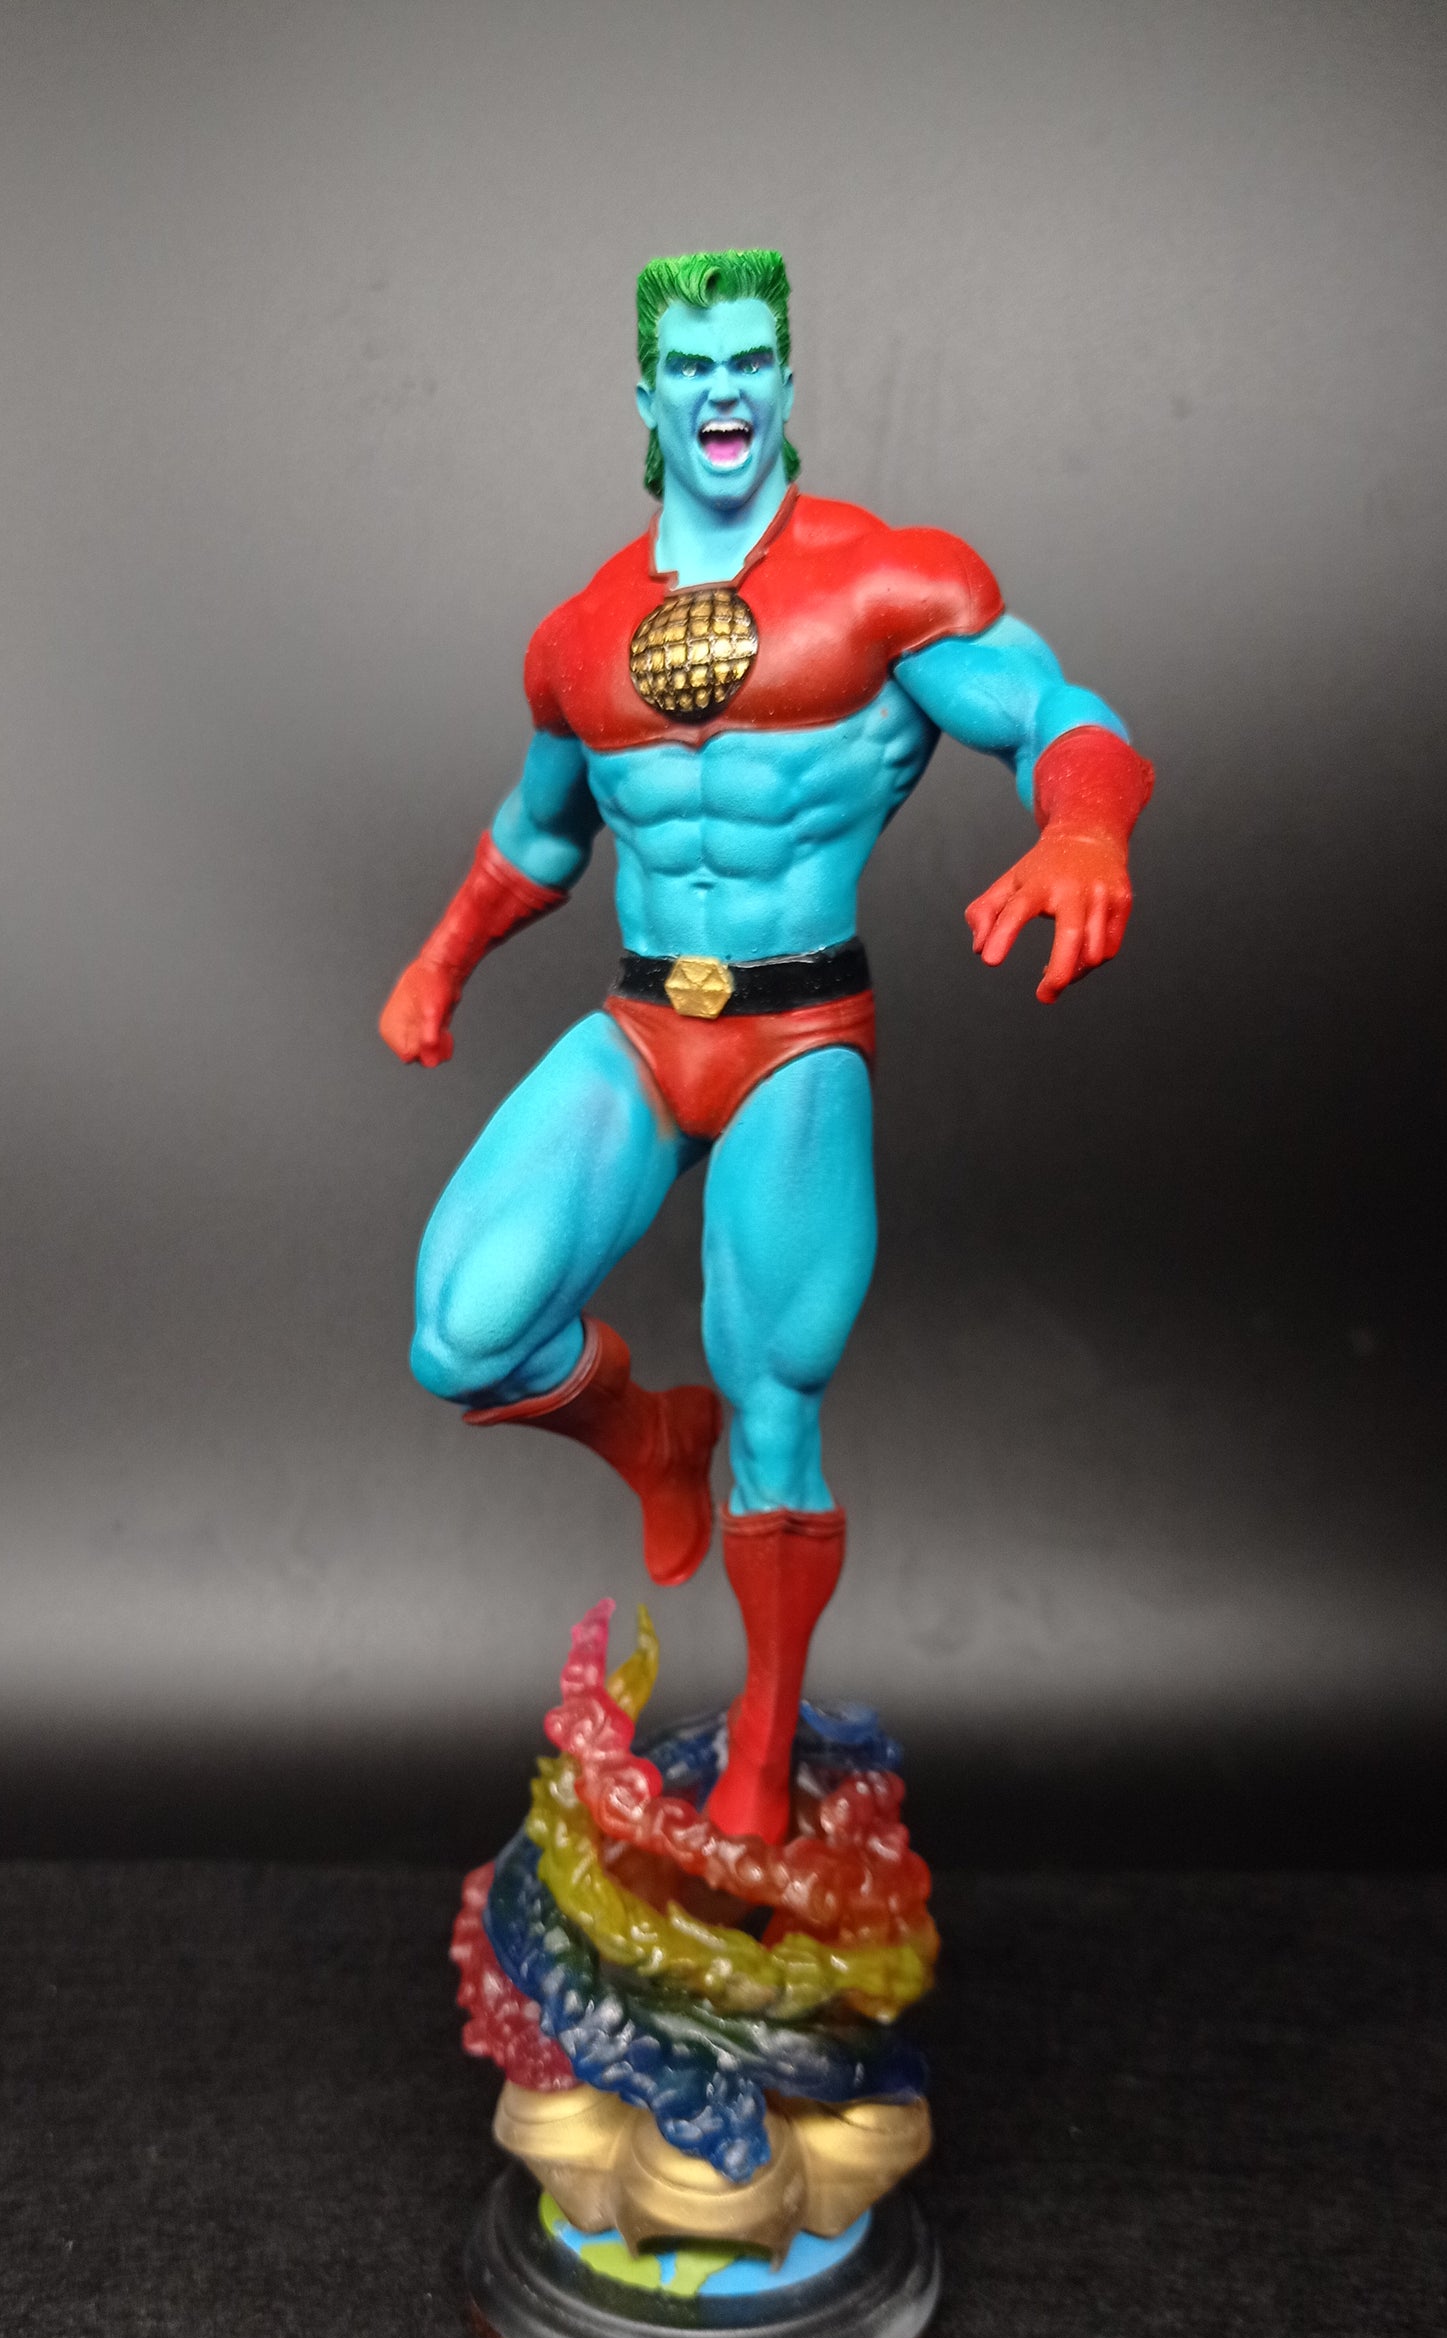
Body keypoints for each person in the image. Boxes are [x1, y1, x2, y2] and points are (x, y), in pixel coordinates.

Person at [381, 249, 1153, 1846]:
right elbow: (541, 831)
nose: (721, 389)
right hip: (642, 1023)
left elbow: (1055, 709)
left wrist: (1084, 827)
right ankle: (648, 1436)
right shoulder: (579, 633)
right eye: (692, 365)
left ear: (786, 383)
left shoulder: (886, 583)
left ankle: (758, 1746)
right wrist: (440, 959)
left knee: (777, 1395)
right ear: (646, 395)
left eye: (748, 360)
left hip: (796, 1031)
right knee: (458, 1331)